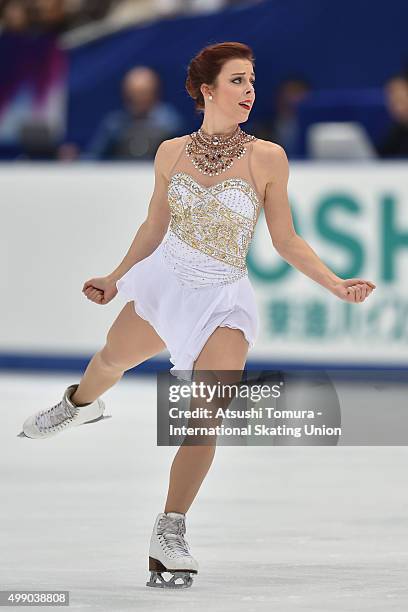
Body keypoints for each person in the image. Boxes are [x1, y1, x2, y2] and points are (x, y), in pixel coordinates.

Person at [21, 41, 376, 589]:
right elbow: (153, 226)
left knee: (204, 413)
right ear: (206, 90)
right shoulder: (170, 152)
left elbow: (285, 239)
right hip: (166, 283)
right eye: (237, 81)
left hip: (222, 299)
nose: (249, 91)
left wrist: (335, 283)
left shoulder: (267, 157)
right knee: (112, 358)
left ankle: (170, 530)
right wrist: (116, 278)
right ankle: (79, 404)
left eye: (252, 81)